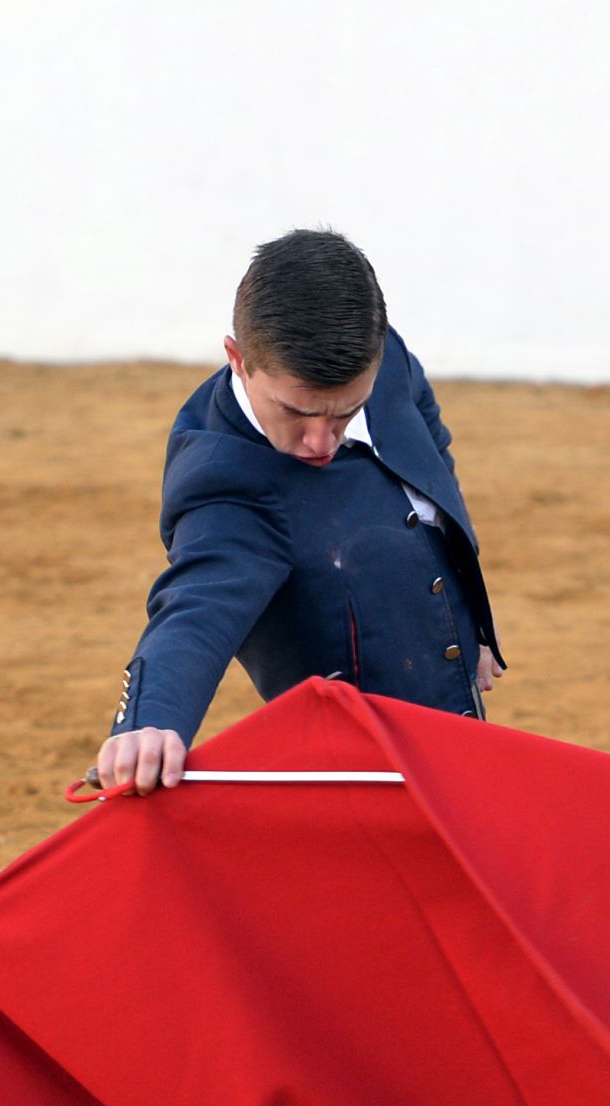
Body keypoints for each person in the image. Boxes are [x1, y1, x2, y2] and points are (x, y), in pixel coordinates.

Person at [95, 229, 504, 793]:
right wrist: (149, 720)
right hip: (355, 763)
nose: (320, 441)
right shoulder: (226, 481)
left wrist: (469, 615)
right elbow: (196, 610)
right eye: (295, 411)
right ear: (237, 359)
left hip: (457, 713)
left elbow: (429, 458)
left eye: (345, 414)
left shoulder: (387, 362)